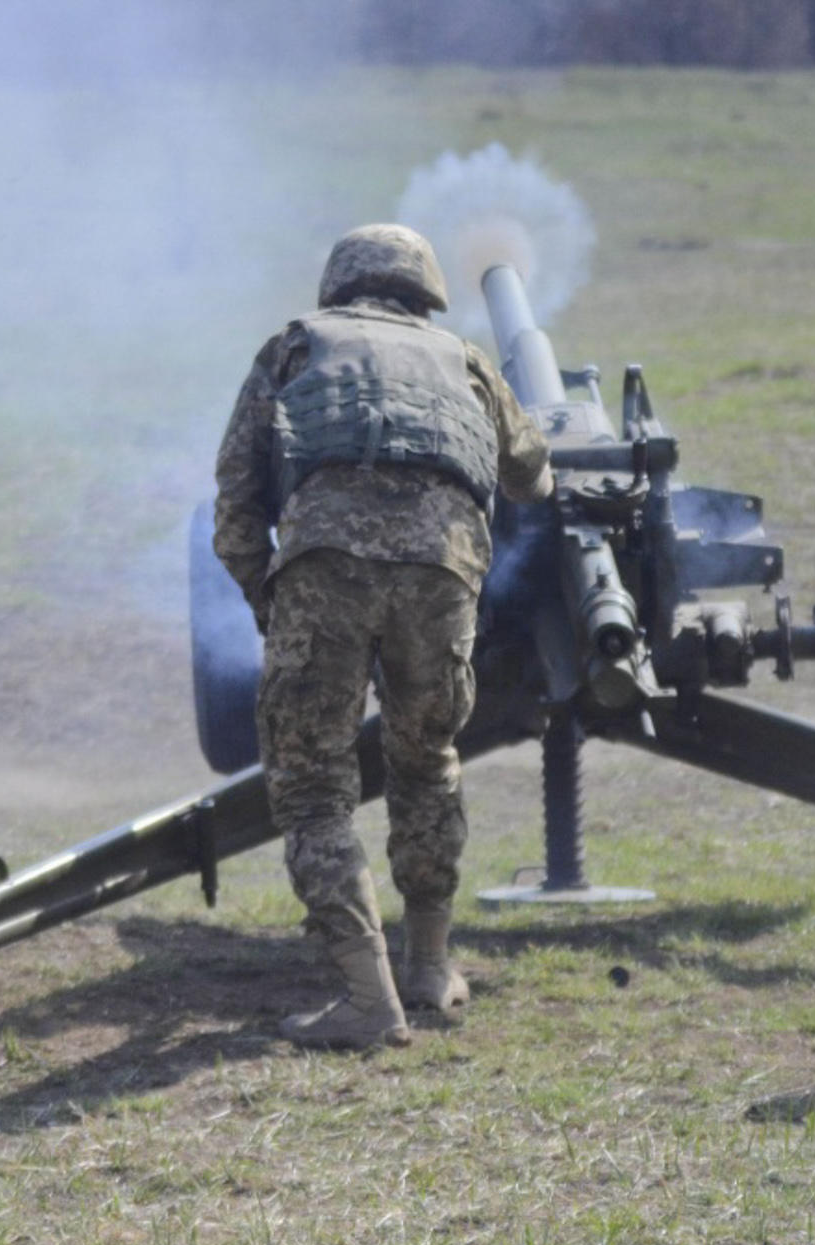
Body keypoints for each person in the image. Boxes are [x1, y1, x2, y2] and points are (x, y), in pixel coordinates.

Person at [213, 224, 553, 1050]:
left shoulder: (294, 346)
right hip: (441, 574)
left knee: (311, 785)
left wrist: (272, 598)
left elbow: (235, 502)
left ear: (341, 285)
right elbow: (530, 477)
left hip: (323, 568)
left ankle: (368, 998)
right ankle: (430, 971)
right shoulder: (466, 360)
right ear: (425, 290)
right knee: (425, 759)